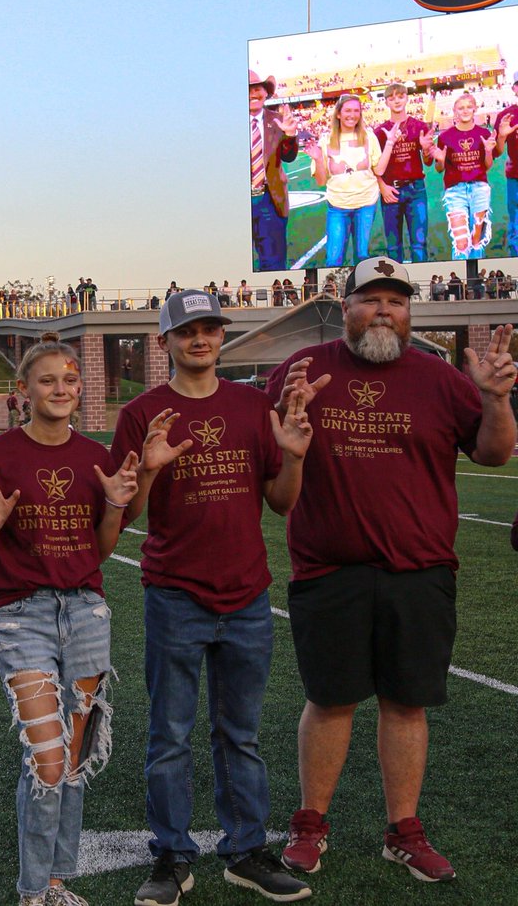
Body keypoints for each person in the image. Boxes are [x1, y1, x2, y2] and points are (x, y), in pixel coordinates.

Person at [266, 257, 516, 883]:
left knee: (406, 704)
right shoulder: (302, 373)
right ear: (342, 307)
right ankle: (309, 824)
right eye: (370, 300)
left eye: (396, 302)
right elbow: (271, 463)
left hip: (420, 568)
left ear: (410, 313)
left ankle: (403, 830)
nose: (384, 311)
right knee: (329, 700)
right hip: (329, 568)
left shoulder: (441, 378)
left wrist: (495, 399)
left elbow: (492, 452)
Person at [112, 290, 313, 906]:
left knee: (241, 734)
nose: (200, 339)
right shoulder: (142, 412)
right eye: (187, 331)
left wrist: (297, 457)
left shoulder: (253, 407)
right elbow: (121, 516)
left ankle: (246, 851)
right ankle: (171, 857)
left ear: (222, 336)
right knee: (169, 734)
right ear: (165, 340)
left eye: (210, 328)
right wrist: (146, 470)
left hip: (247, 594)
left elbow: (281, 502)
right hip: (176, 595)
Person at [0, 334, 139, 906]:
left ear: (79, 386)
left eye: (69, 379)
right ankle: (32, 892)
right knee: (47, 754)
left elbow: (101, 549)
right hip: (22, 613)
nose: (60, 388)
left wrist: (113, 504)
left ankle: (59, 883)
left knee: (76, 754)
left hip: (86, 610)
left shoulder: (96, 455)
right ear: (23, 390)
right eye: (46, 380)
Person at [305, 94, 393, 267]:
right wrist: (317, 159)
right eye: (347, 111)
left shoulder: (369, 136)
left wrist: (389, 143)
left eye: (356, 111)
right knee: (334, 259)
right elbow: (321, 181)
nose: (352, 115)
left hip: (366, 204)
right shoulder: (326, 140)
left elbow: (380, 169)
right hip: (338, 206)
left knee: (362, 255)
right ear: (338, 114)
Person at [374, 83, 433, 263]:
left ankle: (420, 286)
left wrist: (426, 150)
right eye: (392, 98)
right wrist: (382, 187)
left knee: (419, 244)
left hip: (416, 190)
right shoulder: (380, 132)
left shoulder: (419, 126)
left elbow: (428, 162)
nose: (397, 101)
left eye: (400, 96)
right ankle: (396, 288)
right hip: (391, 192)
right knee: (393, 246)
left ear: (407, 98)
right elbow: (374, 165)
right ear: (386, 102)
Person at [433, 93, 496, 260]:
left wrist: (488, 152)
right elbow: (439, 169)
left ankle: (476, 282)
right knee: (460, 241)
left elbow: (487, 166)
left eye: (469, 107)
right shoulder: (445, 137)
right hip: (455, 190)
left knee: (477, 238)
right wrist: (439, 160)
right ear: (455, 111)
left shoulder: (483, 133)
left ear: (475, 109)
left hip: (479, 188)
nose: (465, 110)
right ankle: (458, 283)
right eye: (461, 108)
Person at [249, 70, 299, 271]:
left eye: (257, 88)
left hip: (268, 200)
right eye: (248, 90)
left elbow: (288, 156)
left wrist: (289, 134)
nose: (253, 94)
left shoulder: (277, 120)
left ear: (265, 92)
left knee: (273, 264)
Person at [494, 72, 518, 255]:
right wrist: (502, 136)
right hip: (515, 176)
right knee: (515, 222)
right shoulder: (506, 115)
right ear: (514, 88)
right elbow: (496, 151)